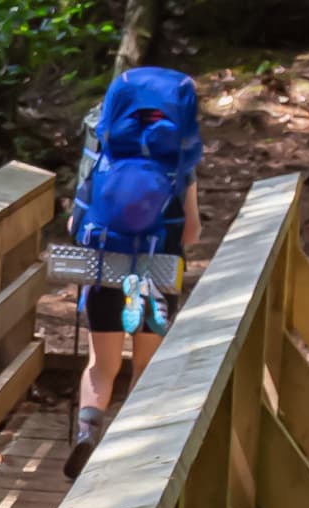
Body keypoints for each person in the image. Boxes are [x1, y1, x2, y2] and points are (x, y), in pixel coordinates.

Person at [65, 66, 206, 479]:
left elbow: (77, 223)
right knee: (147, 366)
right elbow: (193, 230)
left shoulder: (102, 139)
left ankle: (88, 430)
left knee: (100, 365)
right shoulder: (178, 152)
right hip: (159, 268)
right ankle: (136, 458)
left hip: (107, 266)